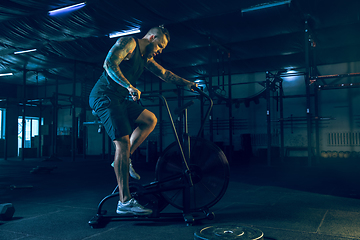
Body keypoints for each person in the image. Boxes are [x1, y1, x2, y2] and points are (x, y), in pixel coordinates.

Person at [89, 26, 196, 215]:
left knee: (150, 120)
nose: (160, 50)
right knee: (122, 142)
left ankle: (124, 158)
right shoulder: (128, 43)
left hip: (120, 97)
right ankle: (124, 202)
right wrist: (129, 86)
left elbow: (165, 74)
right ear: (152, 37)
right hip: (104, 95)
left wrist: (187, 83)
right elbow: (109, 64)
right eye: (160, 45)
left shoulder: (146, 58)